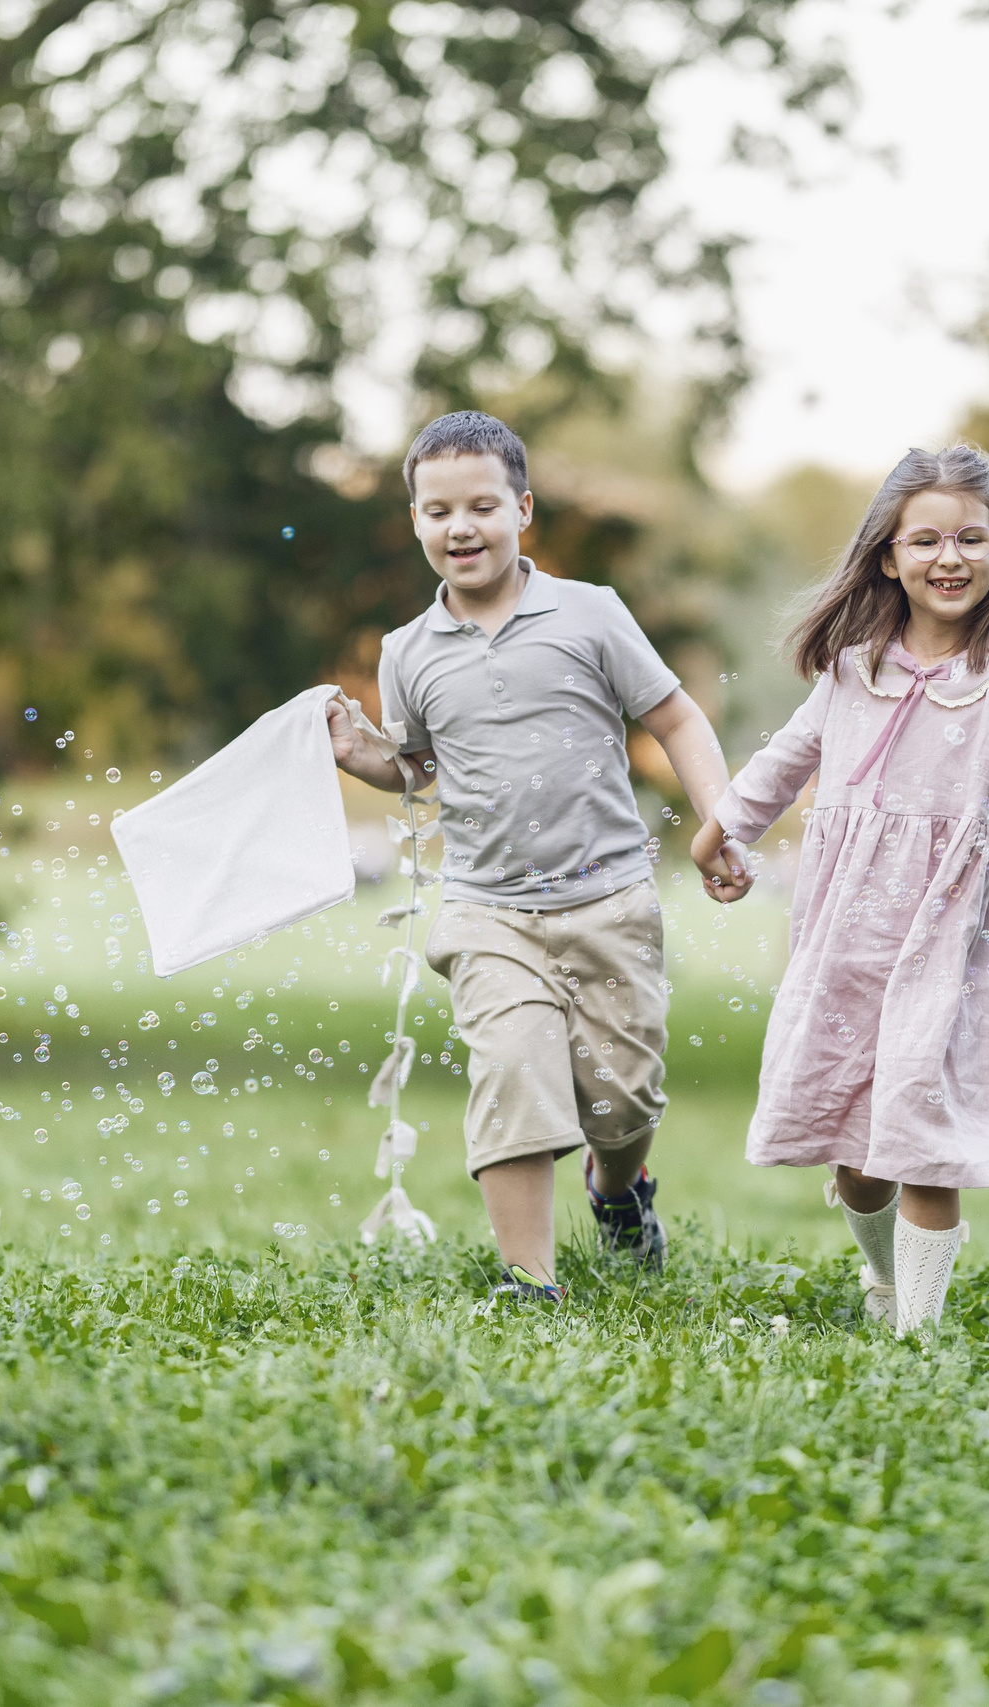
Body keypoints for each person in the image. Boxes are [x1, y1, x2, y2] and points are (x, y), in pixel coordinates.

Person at [328, 411, 745, 1303]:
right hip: (487, 908)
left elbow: (674, 718)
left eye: (481, 505)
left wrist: (718, 820)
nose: (460, 527)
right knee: (512, 1072)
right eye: (438, 511)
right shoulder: (406, 652)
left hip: (608, 898)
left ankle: (617, 1187)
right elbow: (416, 768)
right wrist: (357, 752)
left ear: (522, 509)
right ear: (414, 522)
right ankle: (532, 1282)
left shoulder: (589, 612)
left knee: (622, 1099)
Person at [688, 444, 989, 1334]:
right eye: (925, 540)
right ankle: (885, 1273)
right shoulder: (853, 673)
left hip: (947, 935)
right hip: (847, 932)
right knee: (857, 1150)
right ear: (888, 555)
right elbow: (785, 760)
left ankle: (918, 1333)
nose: (950, 557)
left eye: (972, 538)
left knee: (923, 1134)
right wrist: (719, 829)